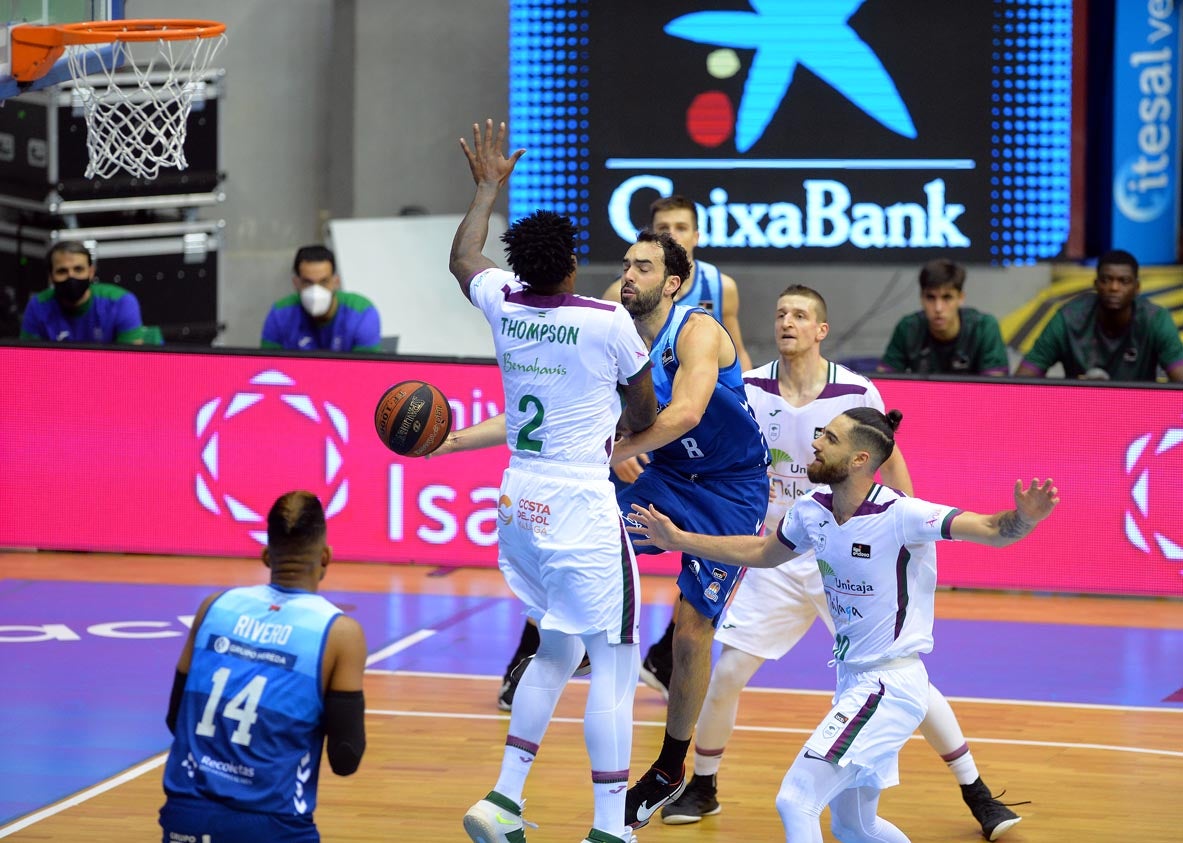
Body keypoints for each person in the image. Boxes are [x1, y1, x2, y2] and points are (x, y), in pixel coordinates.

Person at [661, 285, 1025, 840]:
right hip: (785, 543)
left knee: (903, 676)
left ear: (820, 330)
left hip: (849, 551)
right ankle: (704, 784)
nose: (787, 321)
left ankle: (977, 793)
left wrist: (909, 543)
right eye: (780, 312)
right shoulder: (752, 387)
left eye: (800, 314)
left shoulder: (854, 390)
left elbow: (890, 465)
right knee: (729, 670)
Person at [627, 408, 1059, 843]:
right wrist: (677, 540)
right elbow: (762, 552)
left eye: (829, 438)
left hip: (889, 686)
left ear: (859, 460)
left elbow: (990, 528)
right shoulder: (811, 511)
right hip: (853, 683)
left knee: (795, 800)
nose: (815, 444)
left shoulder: (903, 514)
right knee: (855, 826)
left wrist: (1025, 518)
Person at [450, 119, 657, 843]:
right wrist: (628, 436)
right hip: (577, 500)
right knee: (617, 660)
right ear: (570, 262)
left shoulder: (502, 300)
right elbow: (644, 405)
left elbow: (462, 256)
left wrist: (484, 188)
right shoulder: (605, 321)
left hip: (517, 501)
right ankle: (609, 828)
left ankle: (502, 799)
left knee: (556, 649)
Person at [610, 227, 770, 829]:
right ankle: (577, 642)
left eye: (644, 267)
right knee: (589, 532)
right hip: (670, 473)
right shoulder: (614, 332)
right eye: (626, 264)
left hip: (731, 488)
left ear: (673, 284)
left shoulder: (697, 330)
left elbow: (687, 412)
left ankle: (670, 767)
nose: (629, 275)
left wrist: (619, 446)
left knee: (689, 630)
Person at [158, 490, 368, 843]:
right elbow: (345, 759)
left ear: (267, 555)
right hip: (273, 824)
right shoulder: (339, 633)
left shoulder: (214, 607)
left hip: (186, 815)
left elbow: (174, 718)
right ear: (326, 556)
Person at [1015, 249, 1183, 382]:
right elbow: (1022, 379)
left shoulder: (1155, 319)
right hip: (1079, 410)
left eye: (1124, 281)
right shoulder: (1068, 318)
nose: (1114, 288)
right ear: (1096, 284)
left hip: (1139, 414)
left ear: (1137, 288)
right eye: (1106, 280)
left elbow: (1180, 379)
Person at [877, 259, 1009, 376]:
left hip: (974, 403)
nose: (938, 308)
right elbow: (883, 384)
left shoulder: (985, 327)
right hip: (922, 402)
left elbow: (996, 391)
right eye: (930, 297)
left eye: (947, 297)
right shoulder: (908, 328)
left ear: (961, 298)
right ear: (921, 298)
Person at [261, 245, 382, 352]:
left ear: (336, 282)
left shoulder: (361, 313)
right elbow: (268, 369)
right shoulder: (280, 314)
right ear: (296, 283)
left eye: (324, 282)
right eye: (308, 283)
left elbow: (367, 373)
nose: (316, 291)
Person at [20, 241, 145, 344]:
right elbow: (27, 360)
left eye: (78, 269)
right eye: (62, 271)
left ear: (91, 272)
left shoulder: (121, 302)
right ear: (51, 277)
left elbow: (131, 363)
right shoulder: (37, 306)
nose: (71, 276)